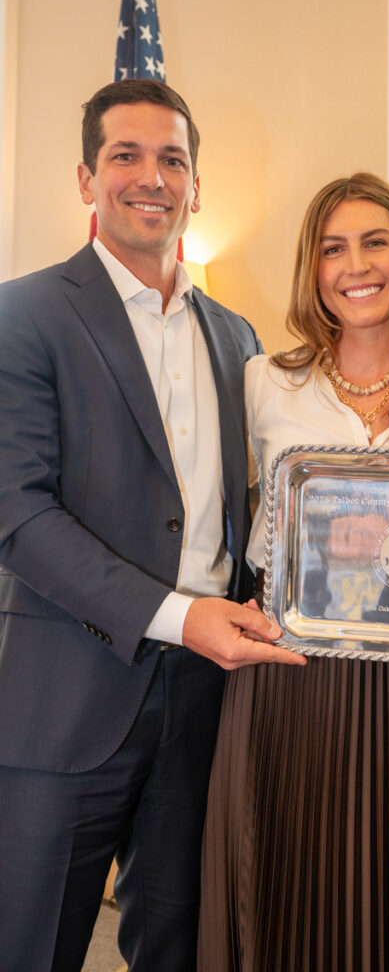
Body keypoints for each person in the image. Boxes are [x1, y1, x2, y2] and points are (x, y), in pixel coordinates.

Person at [0, 78, 307, 972]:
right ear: (86, 179)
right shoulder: (21, 316)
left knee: (181, 947)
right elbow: (18, 514)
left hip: (209, 702)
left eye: (172, 159)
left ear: (195, 186)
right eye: (125, 155)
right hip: (67, 699)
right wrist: (179, 617)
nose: (151, 177)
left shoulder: (237, 338)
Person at [198, 172, 389, 971]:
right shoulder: (264, 380)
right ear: (313, 268)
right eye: (333, 248)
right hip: (285, 665)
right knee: (287, 876)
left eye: (373, 243)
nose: (355, 265)